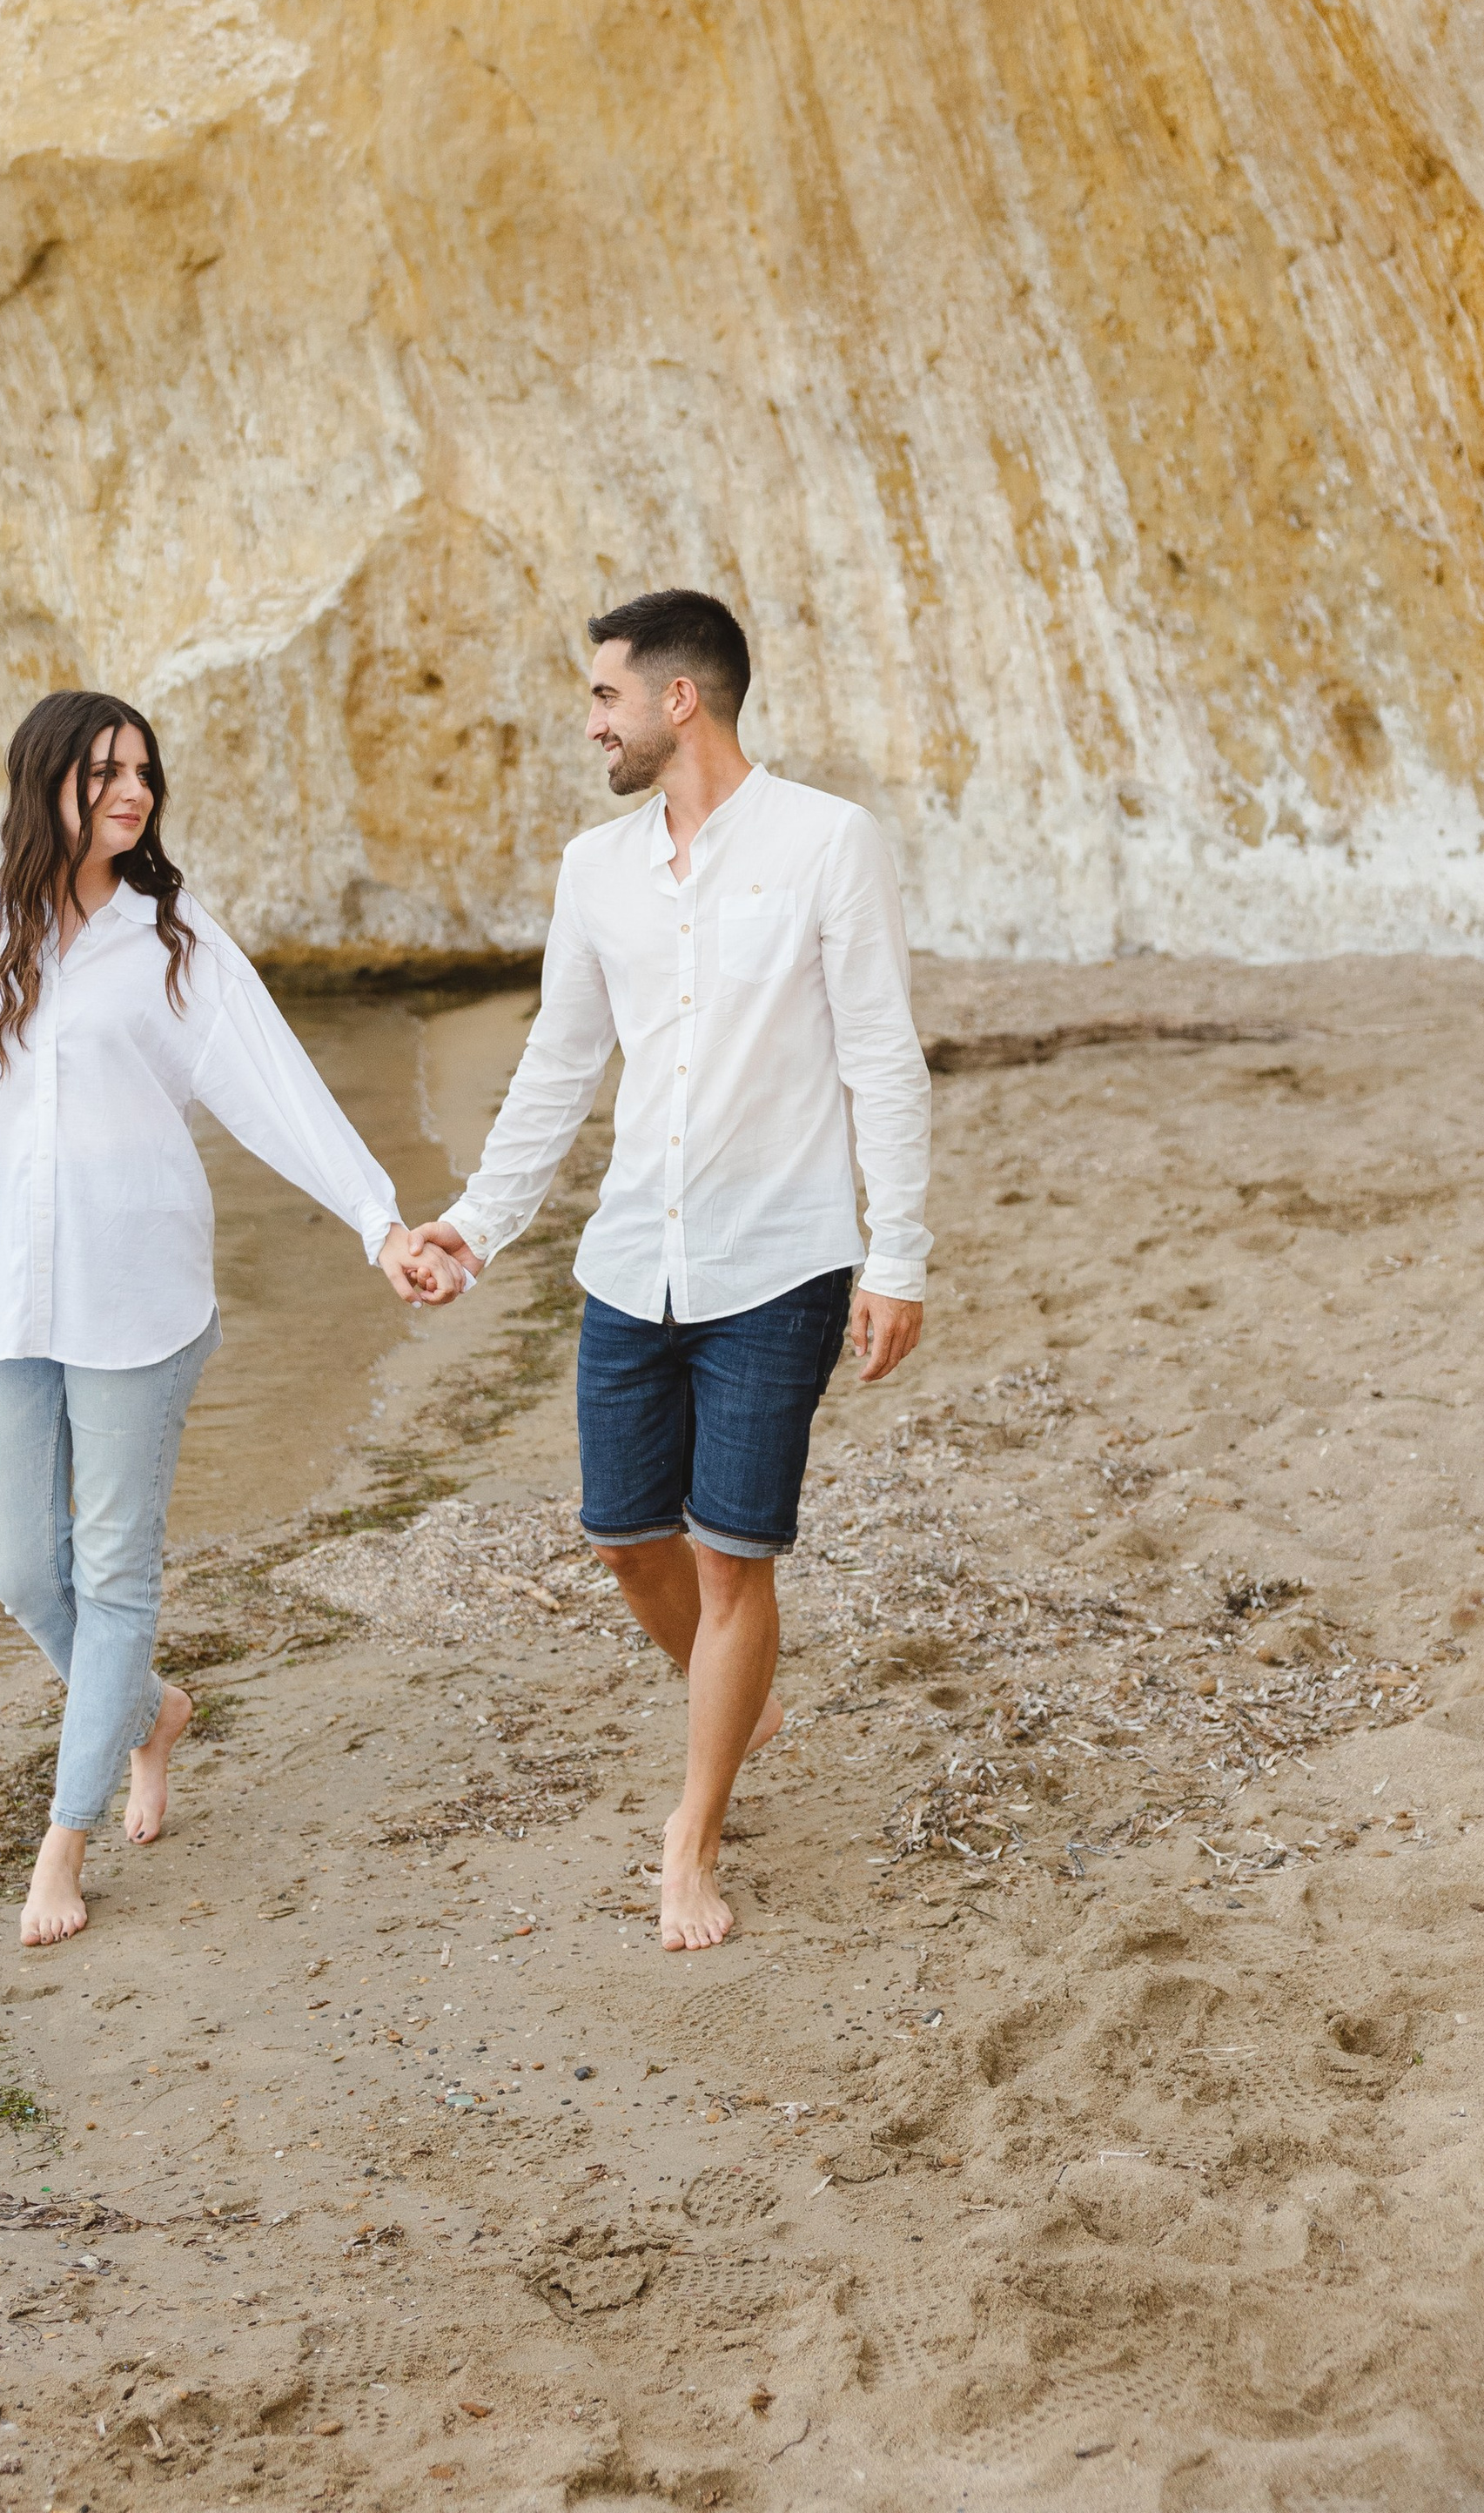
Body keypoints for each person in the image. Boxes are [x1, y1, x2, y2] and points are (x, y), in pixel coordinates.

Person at [407, 589, 930, 1952]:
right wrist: (477, 1222)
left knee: (732, 1554)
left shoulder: (829, 843)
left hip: (785, 1261)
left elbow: (881, 1053)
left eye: (603, 699)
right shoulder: (596, 871)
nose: (591, 725)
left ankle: (689, 1835)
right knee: (624, 1537)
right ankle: (733, 1687)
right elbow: (559, 1064)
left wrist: (899, 1251)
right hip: (633, 1257)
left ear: (676, 700)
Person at [0, 688, 455, 1947]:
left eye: (143, 769)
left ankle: (62, 1845)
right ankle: (151, 1714)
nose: (132, 791)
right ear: (46, 783)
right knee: (20, 1571)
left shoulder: (174, 940)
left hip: (138, 1299)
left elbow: (276, 1091)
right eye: (105, 771)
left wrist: (380, 1223)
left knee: (114, 1568)